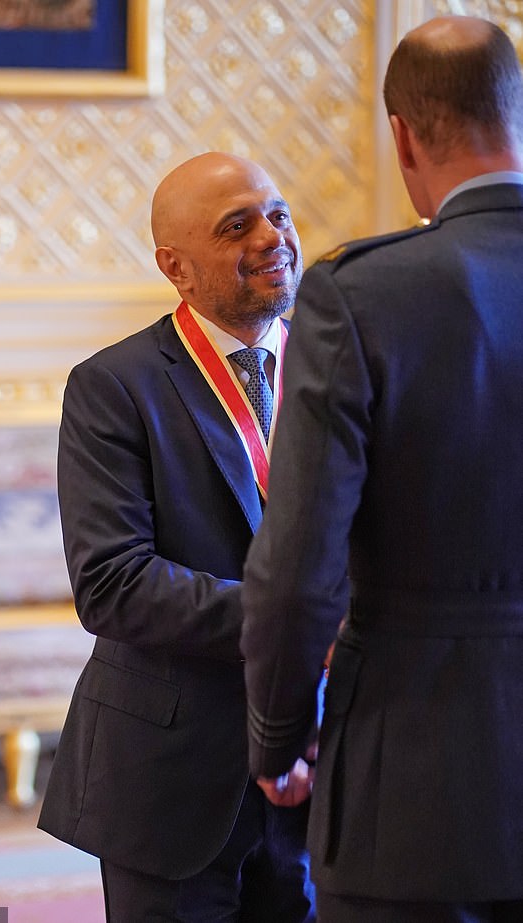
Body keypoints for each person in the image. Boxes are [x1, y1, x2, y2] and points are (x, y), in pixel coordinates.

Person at [241, 15, 523, 923]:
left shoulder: (362, 292)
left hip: (418, 776)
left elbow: (298, 570)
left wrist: (280, 734)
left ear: (400, 136)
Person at [38, 151, 317, 922]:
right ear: (177, 266)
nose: (272, 237)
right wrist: (293, 623)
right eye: (238, 226)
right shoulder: (114, 386)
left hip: (322, 773)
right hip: (170, 781)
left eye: (279, 214)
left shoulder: (341, 370)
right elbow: (113, 584)